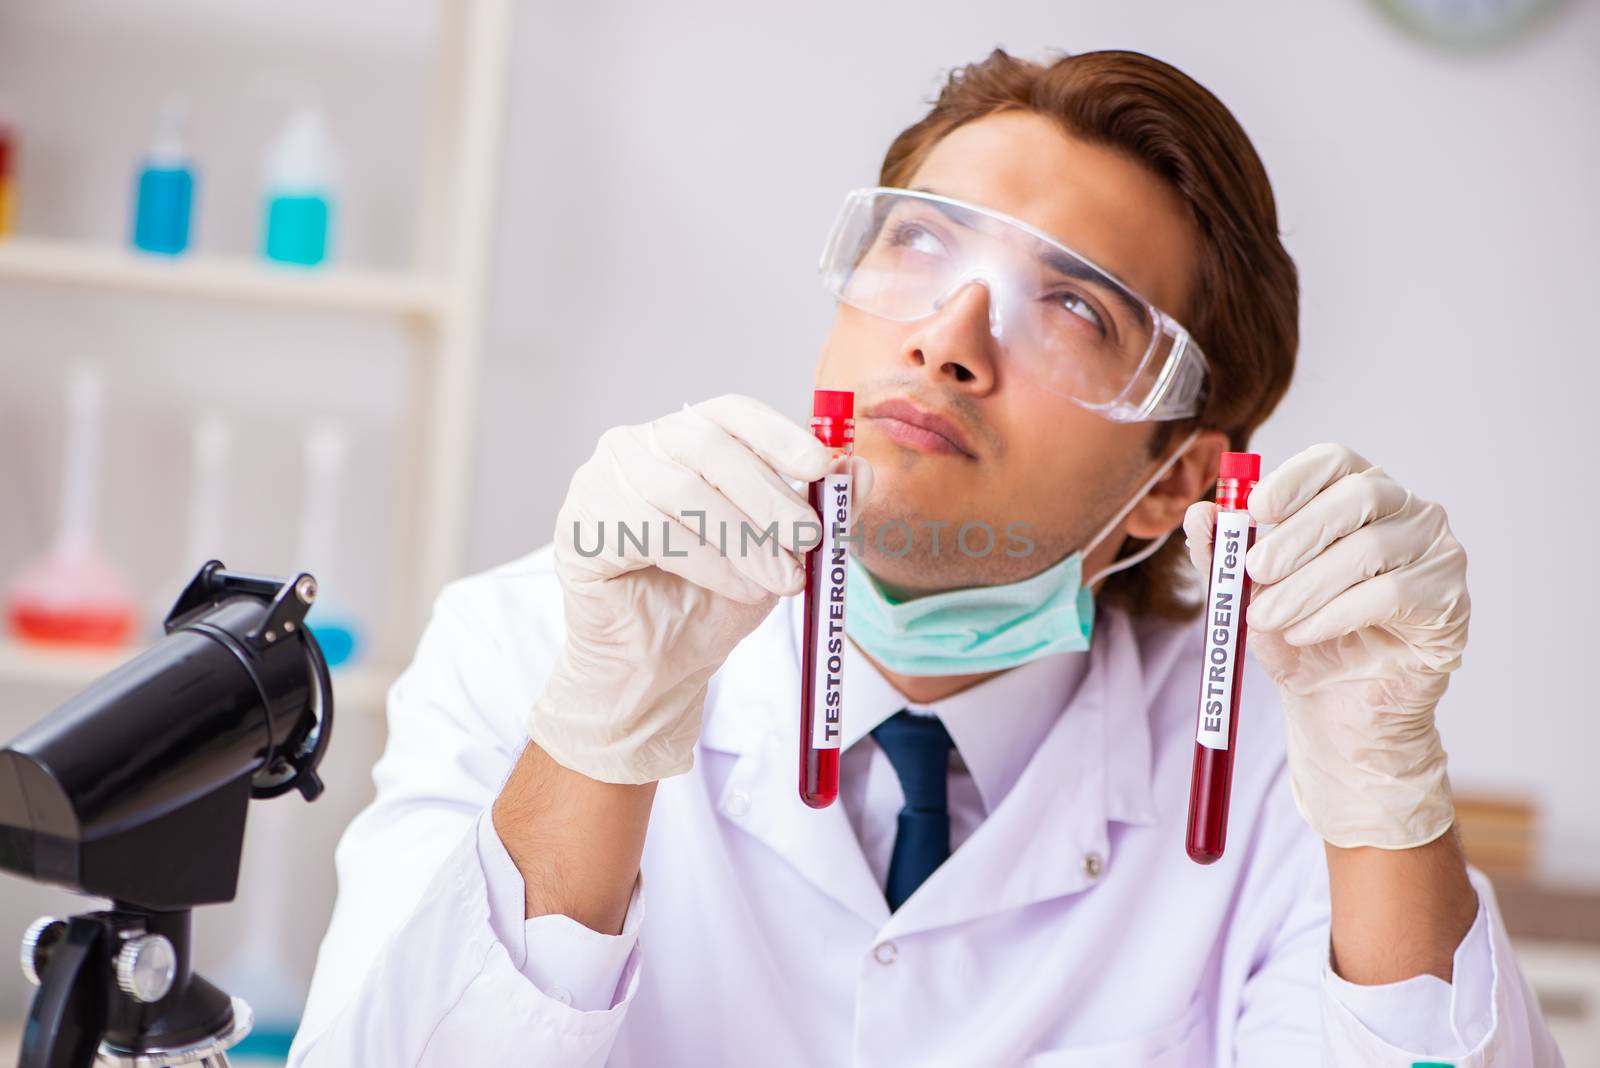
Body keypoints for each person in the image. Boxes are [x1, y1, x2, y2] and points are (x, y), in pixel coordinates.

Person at [288, 49, 1560, 1066]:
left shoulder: (1291, 768)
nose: (948, 339)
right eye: (918, 246)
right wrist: (603, 730)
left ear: (1171, 484)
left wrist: (1390, 798)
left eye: (1073, 306)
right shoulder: (532, 648)